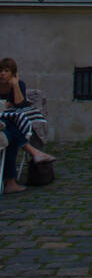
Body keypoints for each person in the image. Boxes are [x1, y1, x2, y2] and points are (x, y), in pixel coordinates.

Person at [0, 57, 55, 194]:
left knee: (11, 136)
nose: (2, 74)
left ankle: (10, 183)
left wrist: (15, 85)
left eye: (6, 71)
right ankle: (33, 152)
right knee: (10, 126)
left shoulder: (19, 84)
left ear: (13, 73)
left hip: (6, 125)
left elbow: (19, 104)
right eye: (0, 71)